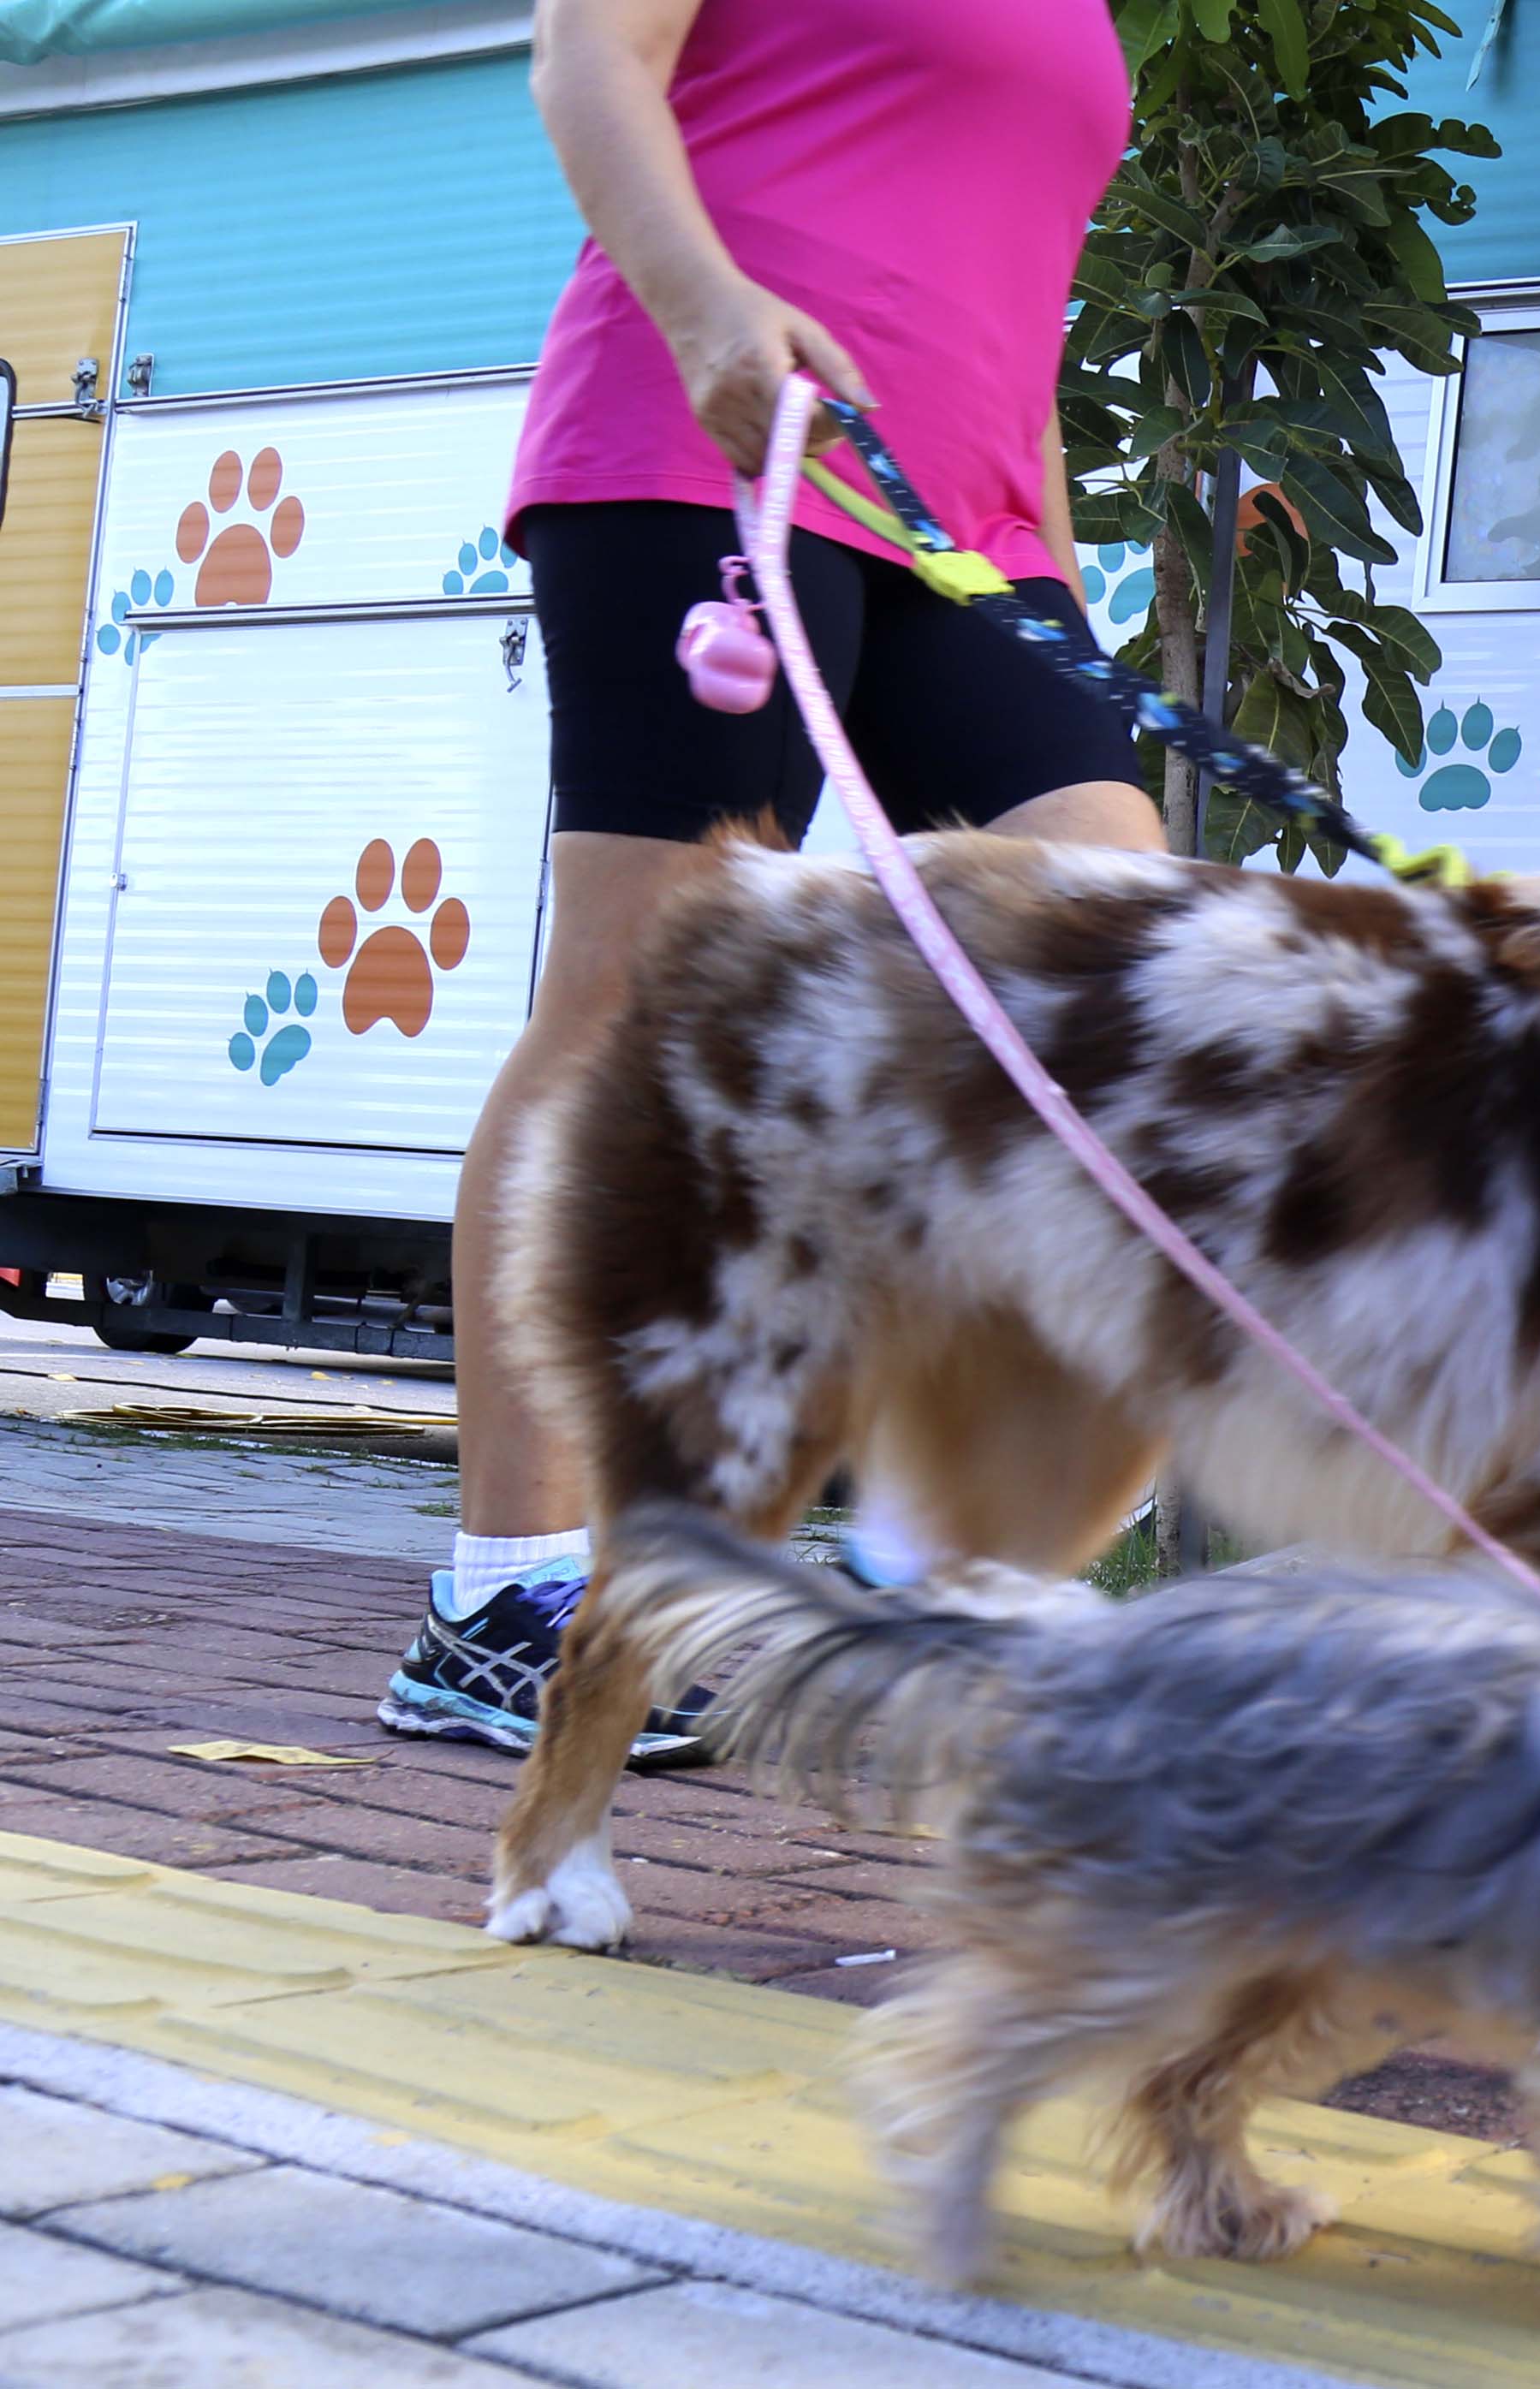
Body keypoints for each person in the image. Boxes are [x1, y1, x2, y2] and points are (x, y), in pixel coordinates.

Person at [380, 0, 1162, 1758]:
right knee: (633, 1004)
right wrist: (701, 307)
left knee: (1114, 997)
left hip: (961, 522)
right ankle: (501, 1592)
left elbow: (1011, 288)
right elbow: (590, 58)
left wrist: (1055, 578)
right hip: (705, 439)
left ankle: (927, 1551)